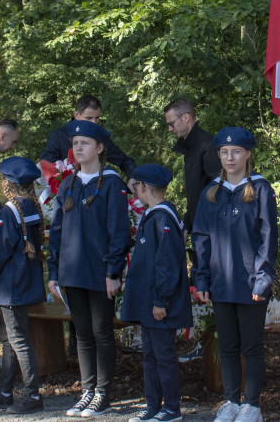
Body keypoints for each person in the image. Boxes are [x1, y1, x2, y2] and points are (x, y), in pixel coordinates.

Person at [192, 127, 277, 422]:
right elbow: (201, 238)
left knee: (251, 346)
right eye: (224, 152)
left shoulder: (261, 190)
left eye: (236, 151)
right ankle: (230, 402)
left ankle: (252, 406)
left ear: (248, 154)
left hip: (251, 282)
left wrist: (263, 279)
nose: (230, 157)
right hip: (220, 283)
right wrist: (201, 278)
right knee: (227, 346)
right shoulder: (211, 193)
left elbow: (268, 238)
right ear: (218, 155)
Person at [47, 120, 131, 418]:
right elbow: (56, 230)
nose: (78, 148)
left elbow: (119, 232)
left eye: (84, 143)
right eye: (75, 144)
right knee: (82, 335)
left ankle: (103, 393)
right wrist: (53, 271)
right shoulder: (68, 183)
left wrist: (113, 272)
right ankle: (87, 390)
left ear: (99, 148)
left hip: (99, 272)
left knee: (101, 332)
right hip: (72, 271)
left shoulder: (111, 183)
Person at [0, 157, 46, 414]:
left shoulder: (9, 211)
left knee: (18, 339)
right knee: (10, 339)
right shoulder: (32, 208)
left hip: (10, 285)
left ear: (7, 184)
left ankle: (32, 395)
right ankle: (5, 391)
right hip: (25, 282)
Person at [121, 164, 192, 422]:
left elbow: (168, 263)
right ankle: (153, 405)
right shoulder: (153, 215)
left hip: (161, 304)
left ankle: (171, 408)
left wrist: (161, 300)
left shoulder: (163, 218)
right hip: (149, 302)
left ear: (143, 187)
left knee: (163, 357)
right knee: (150, 356)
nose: (134, 191)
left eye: (136, 186)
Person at [163, 98, 221, 236]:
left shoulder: (207, 145)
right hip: (199, 227)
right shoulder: (190, 147)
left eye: (171, 123)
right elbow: (195, 192)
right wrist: (188, 224)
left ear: (186, 117)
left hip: (211, 229)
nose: (170, 129)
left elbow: (220, 187)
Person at [41, 95, 136, 177]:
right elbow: (45, 168)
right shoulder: (58, 136)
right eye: (89, 118)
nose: (94, 123)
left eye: (97, 118)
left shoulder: (100, 136)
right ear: (76, 115)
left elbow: (125, 161)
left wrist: (133, 179)